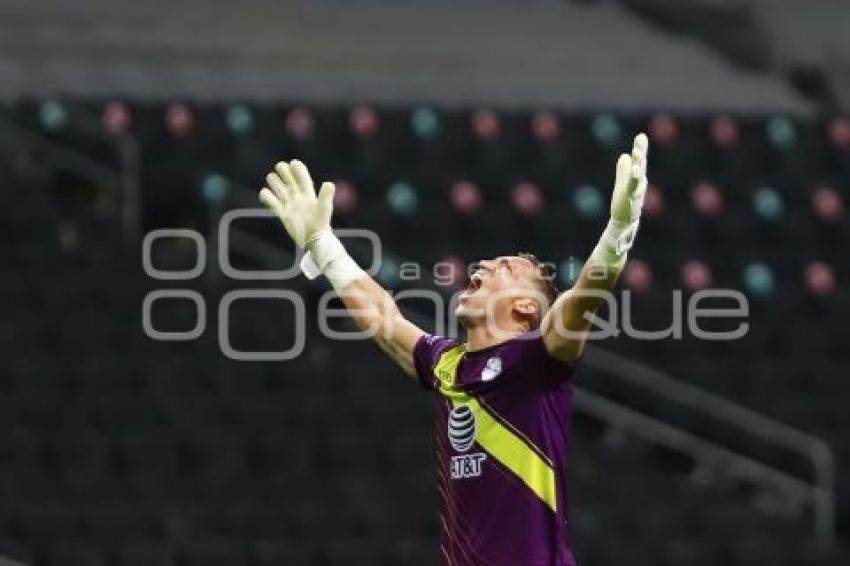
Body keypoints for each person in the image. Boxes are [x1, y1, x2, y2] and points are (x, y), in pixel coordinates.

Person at [258, 132, 649, 565]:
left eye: (505, 268)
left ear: (525, 306)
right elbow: (382, 320)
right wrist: (323, 245)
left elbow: (582, 298)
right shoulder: (447, 365)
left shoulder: (539, 360)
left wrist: (616, 237)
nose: (483, 266)